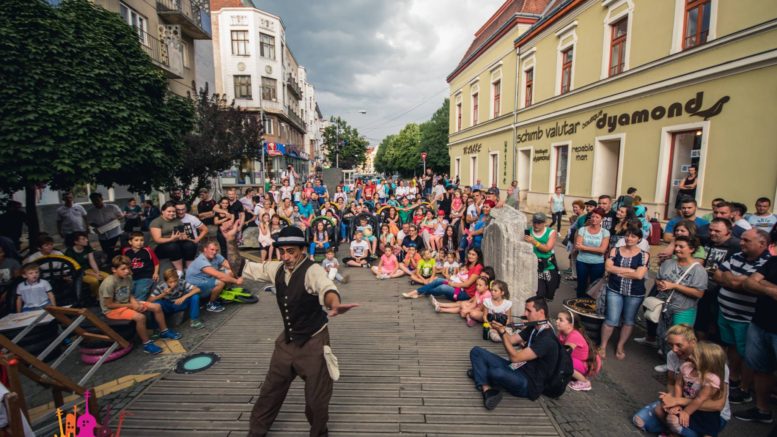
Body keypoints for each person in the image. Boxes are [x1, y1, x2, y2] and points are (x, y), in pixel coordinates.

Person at [218, 221, 357, 437]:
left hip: (313, 342)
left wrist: (335, 304)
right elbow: (241, 267)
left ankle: (319, 433)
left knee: (316, 400)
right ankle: (256, 432)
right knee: (270, 391)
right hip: (287, 341)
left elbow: (326, 288)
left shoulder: (313, 270)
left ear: (302, 250)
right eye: (282, 251)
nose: (285, 256)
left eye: (291, 251)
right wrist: (230, 242)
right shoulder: (277, 269)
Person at [633, 324, 731, 434]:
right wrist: (673, 400)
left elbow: (718, 405)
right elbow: (672, 382)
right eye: (671, 345)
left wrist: (678, 401)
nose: (674, 349)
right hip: (684, 402)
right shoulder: (673, 355)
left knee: (674, 423)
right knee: (640, 420)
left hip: (709, 413)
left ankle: (678, 431)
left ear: (693, 342)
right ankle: (675, 430)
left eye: (679, 345)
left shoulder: (713, 361)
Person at [468, 296, 559, 409]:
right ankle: (487, 389)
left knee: (495, 372)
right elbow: (511, 340)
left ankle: (481, 373)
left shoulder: (547, 339)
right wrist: (500, 328)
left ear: (541, 312)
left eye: (529, 311)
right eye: (525, 310)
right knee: (476, 351)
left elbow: (514, 357)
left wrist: (502, 333)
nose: (525, 314)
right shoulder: (534, 326)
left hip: (529, 383)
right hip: (518, 367)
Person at [713, 228, 771, 404]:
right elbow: (718, 274)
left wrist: (730, 277)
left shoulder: (767, 262)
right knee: (732, 347)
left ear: (762, 244)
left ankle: (744, 388)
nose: (741, 243)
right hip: (726, 312)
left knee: (747, 354)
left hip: (745, 317)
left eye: (747, 240)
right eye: (742, 239)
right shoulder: (737, 255)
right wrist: (733, 279)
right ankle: (733, 378)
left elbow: (744, 284)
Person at [100, 255, 181, 355]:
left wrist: (134, 302)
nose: (127, 271)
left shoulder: (128, 277)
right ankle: (147, 344)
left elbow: (129, 293)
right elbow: (109, 305)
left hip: (126, 303)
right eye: (123, 269)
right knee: (140, 317)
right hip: (112, 310)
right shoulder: (109, 283)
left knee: (156, 307)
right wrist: (132, 306)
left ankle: (164, 331)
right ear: (114, 270)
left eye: (128, 268)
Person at [740, 243, 777, 423]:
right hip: (760, 323)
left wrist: (762, 283)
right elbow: (749, 282)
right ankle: (762, 410)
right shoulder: (773, 261)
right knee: (761, 369)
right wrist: (772, 290)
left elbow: (756, 282)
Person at [654, 236, 708, 363]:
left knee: (680, 341)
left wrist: (674, 286)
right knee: (665, 335)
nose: (677, 249)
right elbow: (658, 278)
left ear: (692, 249)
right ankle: (669, 363)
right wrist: (660, 284)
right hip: (666, 306)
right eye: (676, 246)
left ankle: (679, 367)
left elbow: (699, 293)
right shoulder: (668, 263)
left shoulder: (698, 270)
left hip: (684, 310)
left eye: (681, 247)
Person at [599, 227, 649, 360]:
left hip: (635, 293)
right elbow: (608, 267)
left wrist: (618, 271)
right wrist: (630, 270)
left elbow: (639, 275)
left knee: (628, 320)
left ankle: (620, 345)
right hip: (615, 289)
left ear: (639, 239)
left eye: (633, 236)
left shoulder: (644, 255)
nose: (629, 238)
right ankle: (603, 346)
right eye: (627, 235)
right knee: (611, 319)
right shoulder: (615, 250)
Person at [185, 237, 243, 313]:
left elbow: (230, 266)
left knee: (230, 272)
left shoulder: (217, 256)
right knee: (220, 282)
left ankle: (219, 294)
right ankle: (211, 304)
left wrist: (238, 276)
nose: (214, 252)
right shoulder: (201, 260)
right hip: (194, 287)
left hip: (206, 281)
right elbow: (219, 275)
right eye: (212, 249)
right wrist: (236, 281)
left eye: (216, 250)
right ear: (205, 249)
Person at [402, 248, 483, 301]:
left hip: (465, 294)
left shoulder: (478, 267)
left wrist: (452, 284)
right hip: (459, 286)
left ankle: (420, 293)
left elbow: (467, 284)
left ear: (478, 256)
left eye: (473, 254)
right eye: (469, 254)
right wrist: (453, 280)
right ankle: (416, 292)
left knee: (443, 287)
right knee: (439, 280)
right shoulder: (469, 264)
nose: (470, 256)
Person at [149, 201, 197, 277]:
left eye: (173, 211)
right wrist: (171, 239)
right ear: (163, 211)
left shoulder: (177, 221)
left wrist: (183, 236)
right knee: (173, 247)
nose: (172, 213)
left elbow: (183, 233)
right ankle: (180, 271)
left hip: (175, 242)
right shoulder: (156, 222)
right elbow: (157, 239)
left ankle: (188, 269)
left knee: (190, 245)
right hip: (158, 246)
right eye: (169, 211)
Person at [556, 309, 599, 391]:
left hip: (585, 365)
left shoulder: (574, 336)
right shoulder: (562, 333)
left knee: (562, 360)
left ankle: (584, 382)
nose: (557, 321)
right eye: (557, 318)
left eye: (561, 320)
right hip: (576, 361)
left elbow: (564, 354)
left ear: (570, 325)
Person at [575, 207, 610, 298]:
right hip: (582, 261)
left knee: (594, 287)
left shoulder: (605, 232)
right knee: (581, 285)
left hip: (597, 263)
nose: (594, 219)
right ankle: (579, 303)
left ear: (602, 219)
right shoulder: (583, 230)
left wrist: (584, 247)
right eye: (593, 216)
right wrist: (596, 249)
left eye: (597, 217)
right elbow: (578, 246)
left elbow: (602, 250)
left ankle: (590, 305)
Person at [525, 212, 559, 301]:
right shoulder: (528, 231)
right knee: (539, 293)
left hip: (547, 265)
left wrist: (534, 242)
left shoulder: (551, 232)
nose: (536, 225)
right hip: (533, 265)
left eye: (539, 222)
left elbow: (547, 248)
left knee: (550, 292)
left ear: (545, 222)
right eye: (535, 222)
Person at [65, 231, 108, 298]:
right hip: (78, 273)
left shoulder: (87, 248)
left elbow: (92, 261)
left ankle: (107, 294)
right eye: (83, 239)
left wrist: (97, 272)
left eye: (86, 238)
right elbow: (77, 269)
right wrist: (94, 275)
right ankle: (97, 297)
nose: (87, 240)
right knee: (94, 281)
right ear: (76, 242)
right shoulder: (70, 252)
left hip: (88, 269)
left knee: (107, 276)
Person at [121, 232, 160, 300]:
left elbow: (156, 262)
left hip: (145, 277)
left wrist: (155, 273)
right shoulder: (126, 251)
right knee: (126, 295)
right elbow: (124, 263)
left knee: (140, 295)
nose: (139, 242)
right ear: (130, 242)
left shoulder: (147, 250)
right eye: (136, 240)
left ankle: (139, 306)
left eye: (141, 240)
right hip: (131, 277)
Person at [86, 193, 123, 261]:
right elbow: (90, 222)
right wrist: (97, 226)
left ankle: (118, 263)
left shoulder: (112, 207)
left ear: (102, 199)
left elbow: (121, 216)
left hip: (115, 234)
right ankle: (109, 263)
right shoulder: (90, 212)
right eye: (93, 201)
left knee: (117, 251)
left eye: (97, 200)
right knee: (106, 252)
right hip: (102, 235)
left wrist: (115, 219)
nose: (95, 202)